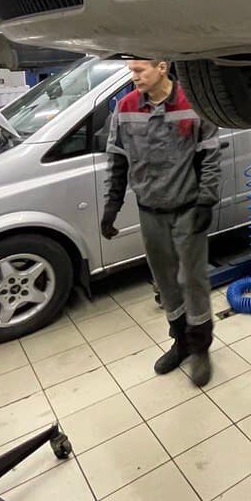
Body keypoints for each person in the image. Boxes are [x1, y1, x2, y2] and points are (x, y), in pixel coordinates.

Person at [102, 58, 221, 386]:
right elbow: (117, 161)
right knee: (165, 282)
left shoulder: (192, 104)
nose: (134, 76)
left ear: (162, 67)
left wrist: (206, 201)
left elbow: (210, 156)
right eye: (131, 70)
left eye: (139, 70)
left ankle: (200, 348)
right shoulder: (126, 107)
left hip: (188, 209)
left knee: (192, 280)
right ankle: (181, 342)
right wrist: (112, 206)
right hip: (150, 211)